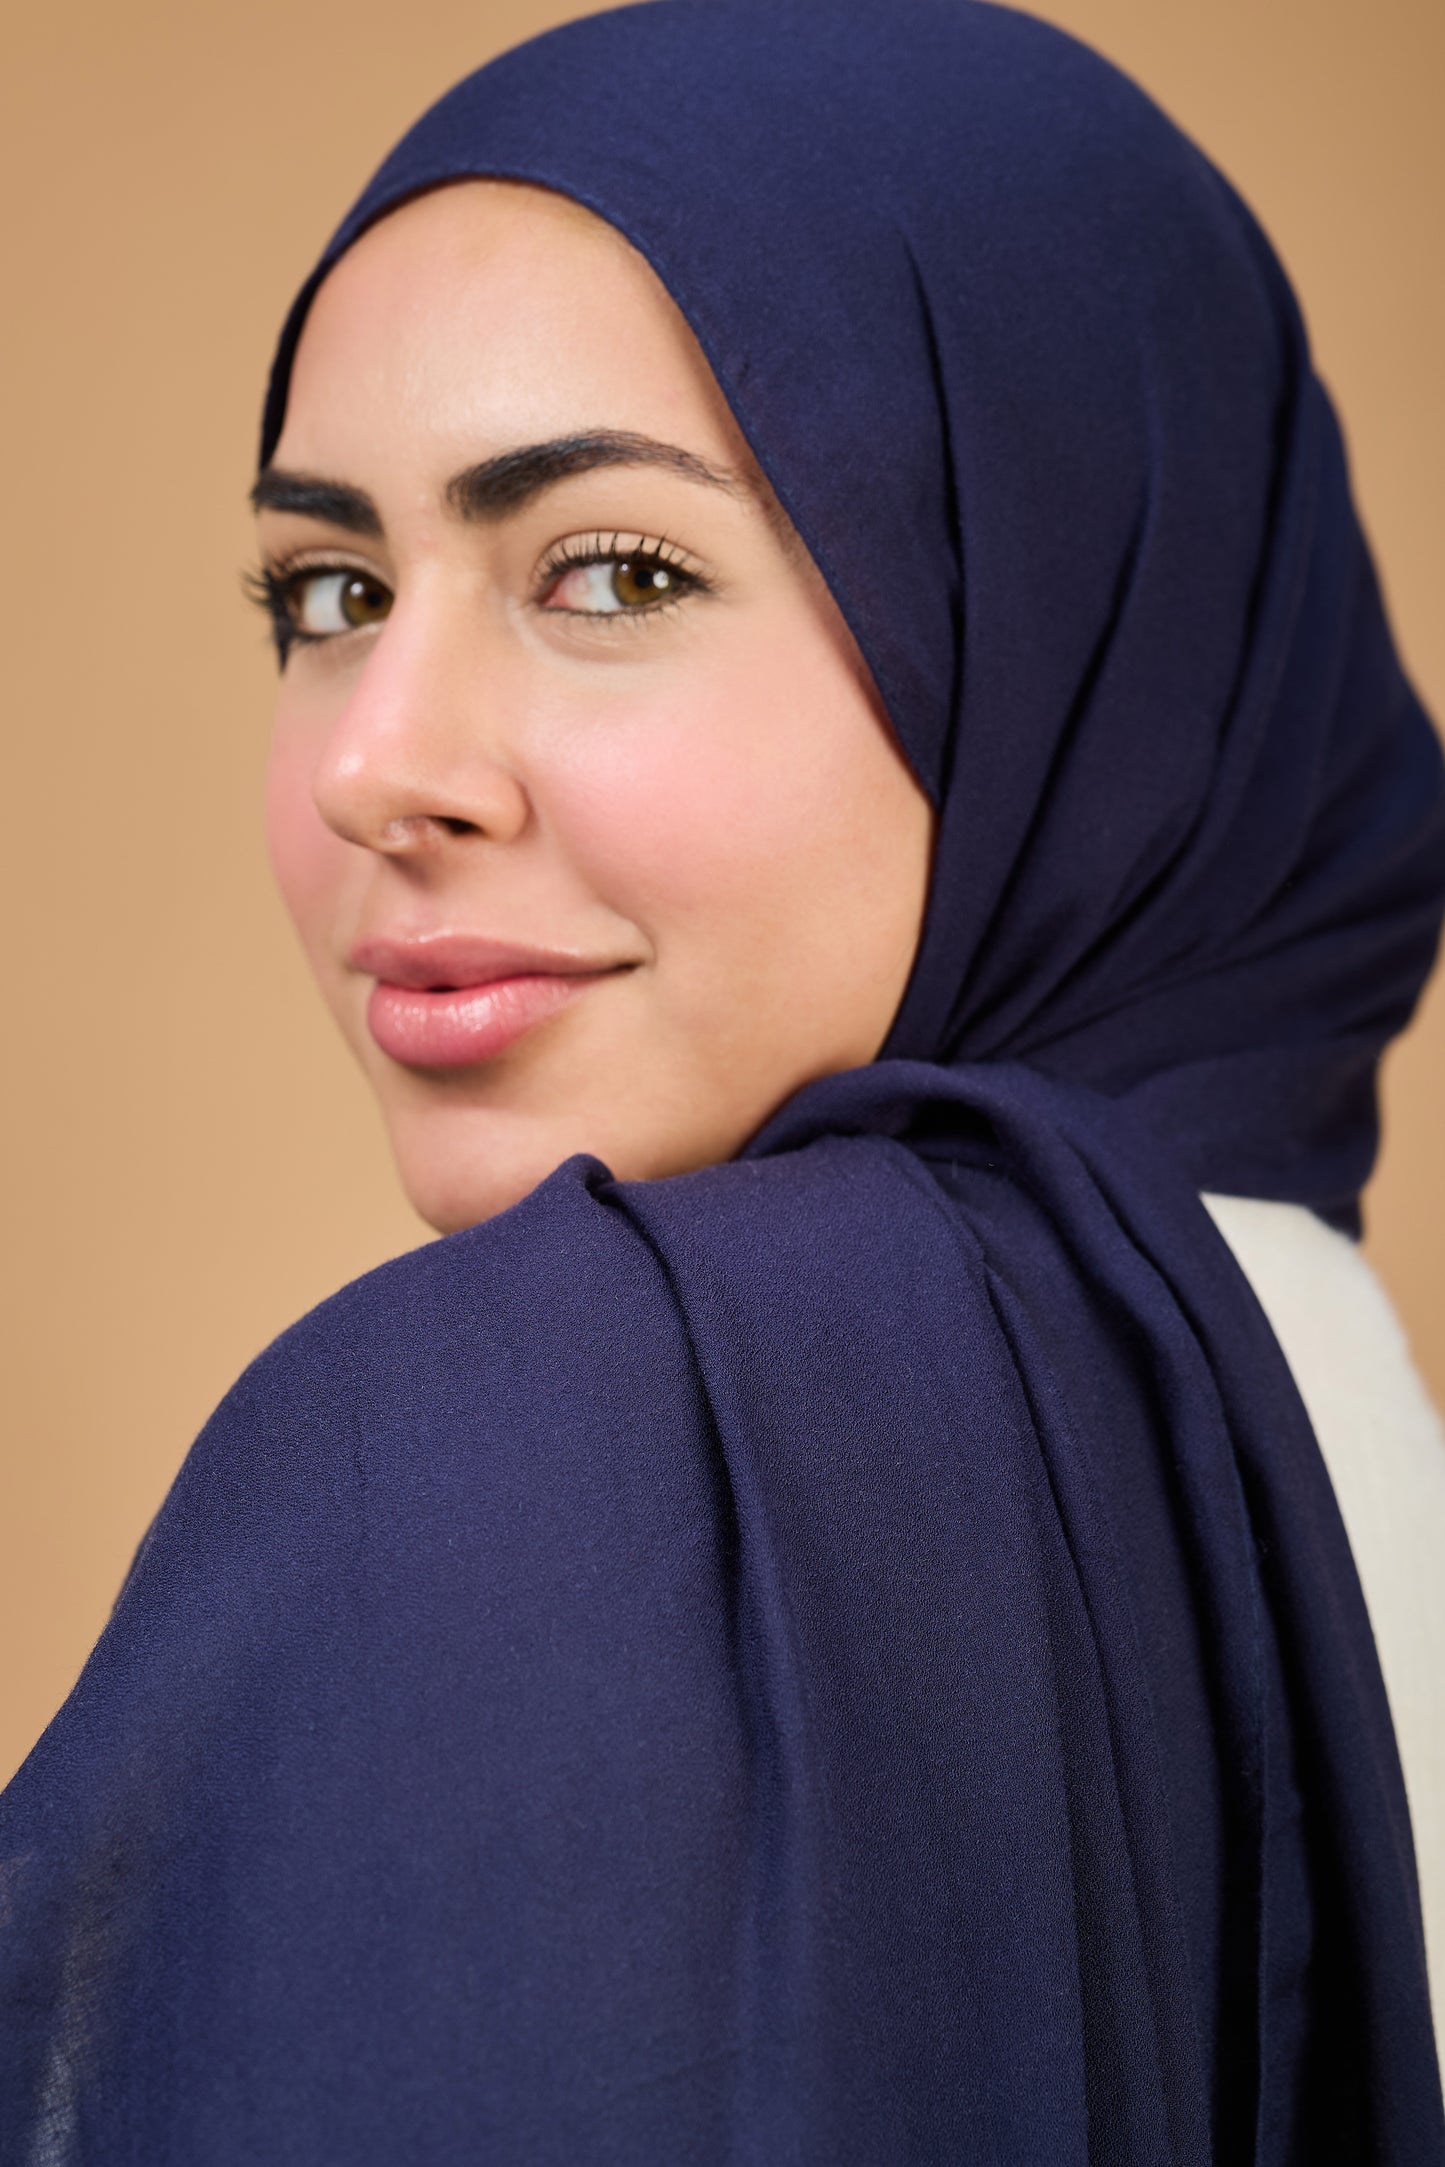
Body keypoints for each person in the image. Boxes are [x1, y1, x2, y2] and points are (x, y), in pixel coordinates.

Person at [3, 0, 1444, 2157]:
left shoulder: (532, 1439)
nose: (379, 764)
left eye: (614, 571)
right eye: (331, 588)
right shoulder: (1330, 1404)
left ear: (1058, 613)